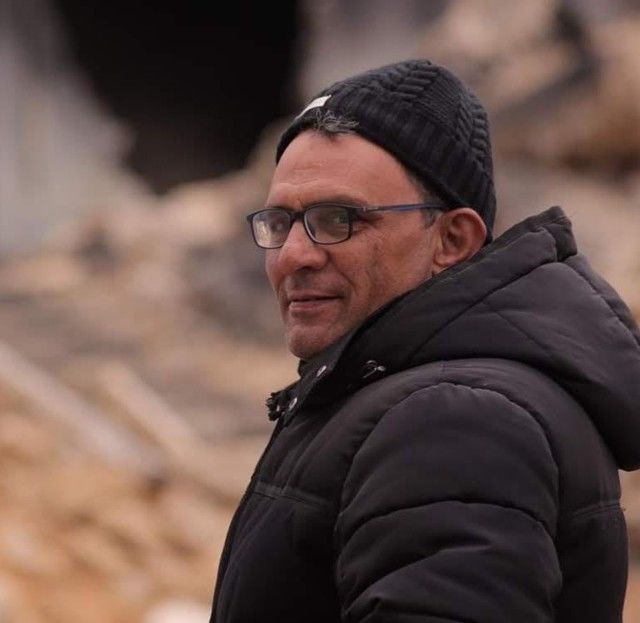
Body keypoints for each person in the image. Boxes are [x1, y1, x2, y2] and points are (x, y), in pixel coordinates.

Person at [209, 59, 640, 623]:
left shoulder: (457, 420)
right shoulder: (405, 397)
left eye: (337, 220)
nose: (293, 255)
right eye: (280, 223)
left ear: (453, 240)